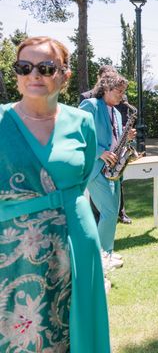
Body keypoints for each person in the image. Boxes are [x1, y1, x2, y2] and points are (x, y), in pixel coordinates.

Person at [0, 36, 110, 351]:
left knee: (75, 322)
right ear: (17, 73)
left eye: (46, 67)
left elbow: (84, 173)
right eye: (24, 67)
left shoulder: (82, 121)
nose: (34, 75)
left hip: (76, 236)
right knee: (18, 327)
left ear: (64, 74)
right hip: (12, 242)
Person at [80, 73, 134, 271]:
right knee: (110, 212)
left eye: (123, 92)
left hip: (113, 169)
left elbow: (115, 141)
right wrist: (100, 152)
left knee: (112, 212)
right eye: (119, 91)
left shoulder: (118, 113)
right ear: (106, 89)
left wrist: (127, 138)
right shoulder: (91, 106)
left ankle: (106, 253)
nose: (122, 96)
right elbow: (79, 135)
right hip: (96, 167)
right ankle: (102, 257)